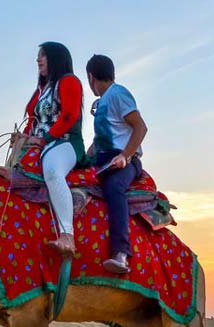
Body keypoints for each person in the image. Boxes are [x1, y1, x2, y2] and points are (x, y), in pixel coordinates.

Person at [0, 42, 87, 256]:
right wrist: (23, 137)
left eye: (43, 55)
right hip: (41, 144)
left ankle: (67, 235)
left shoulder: (68, 81)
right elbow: (33, 121)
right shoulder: (42, 91)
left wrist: (44, 139)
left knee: (52, 171)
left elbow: (68, 116)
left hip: (64, 142)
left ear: (55, 58)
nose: (38, 59)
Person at [86, 54, 148, 274]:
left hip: (124, 161)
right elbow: (100, 139)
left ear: (91, 76)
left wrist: (125, 156)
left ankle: (120, 253)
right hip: (102, 160)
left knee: (114, 187)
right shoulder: (102, 102)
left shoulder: (118, 94)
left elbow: (140, 127)